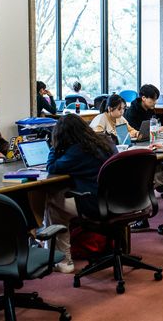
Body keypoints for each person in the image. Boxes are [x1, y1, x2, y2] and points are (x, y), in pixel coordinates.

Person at [44, 114, 116, 273]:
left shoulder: (77, 151)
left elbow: (52, 167)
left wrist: (54, 147)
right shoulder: (106, 141)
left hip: (96, 205)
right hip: (120, 201)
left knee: (52, 201)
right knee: (62, 197)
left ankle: (63, 260)